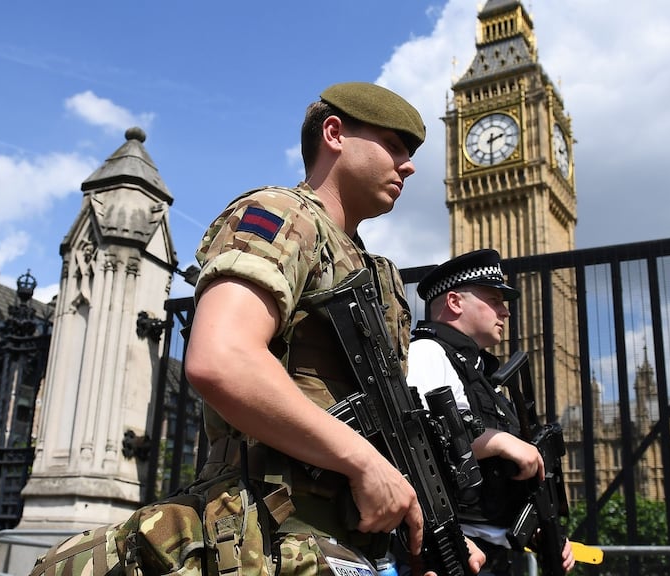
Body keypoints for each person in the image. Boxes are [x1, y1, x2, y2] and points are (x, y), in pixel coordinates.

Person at [185, 82, 484, 575]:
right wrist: (362, 461)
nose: (408, 165)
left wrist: (432, 530)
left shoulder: (377, 271)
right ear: (334, 134)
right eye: (393, 145)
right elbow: (222, 358)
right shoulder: (282, 214)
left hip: (343, 543)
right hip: (265, 532)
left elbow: (393, 429)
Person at [407, 249, 576, 576]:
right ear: (455, 302)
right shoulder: (428, 354)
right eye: (494, 300)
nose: (505, 312)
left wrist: (541, 532)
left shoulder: (482, 375)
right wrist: (498, 442)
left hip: (498, 556)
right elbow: (414, 443)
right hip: (455, 552)